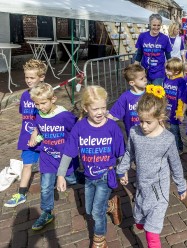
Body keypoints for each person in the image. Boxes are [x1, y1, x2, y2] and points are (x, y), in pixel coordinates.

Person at [116, 85, 187, 248]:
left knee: (151, 233)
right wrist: (122, 169)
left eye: (148, 122)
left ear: (160, 117)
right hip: (142, 187)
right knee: (140, 223)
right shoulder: (134, 132)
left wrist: (181, 186)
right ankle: (141, 221)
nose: (144, 126)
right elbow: (129, 153)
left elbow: (175, 164)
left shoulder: (167, 139)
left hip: (159, 191)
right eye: (141, 121)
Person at [56, 86, 125, 247]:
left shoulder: (112, 127)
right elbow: (68, 152)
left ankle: (99, 241)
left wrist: (123, 171)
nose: (100, 112)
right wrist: (60, 175)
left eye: (103, 107)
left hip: (106, 174)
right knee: (88, 210)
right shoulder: (80, 127)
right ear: (86, 108)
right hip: (88, 175)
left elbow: (121, 151)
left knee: (96, 212)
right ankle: (112, 204)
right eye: (95, 109)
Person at [26, 83, 83, 230]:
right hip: (47, 157)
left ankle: (92, 179)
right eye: (36, 104)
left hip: (64, 157)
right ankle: (46, 212)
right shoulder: (38, 114)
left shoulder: (64, 115)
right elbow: (39, 129)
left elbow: (77, 128)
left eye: (43, 103)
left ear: (53, 99)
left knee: (72, 179)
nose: (40, 107)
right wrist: (35, 137)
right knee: (45, 186)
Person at [4, 59, 47, 208]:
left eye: (32, 78)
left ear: (41, 77)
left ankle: (55, 184)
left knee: (49, 164)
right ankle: (21, 194)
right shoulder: (24, 96)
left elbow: (47, 118)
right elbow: (24, 114)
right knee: (27, 164)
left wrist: (38, 135)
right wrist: (29, 135)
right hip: (26, 137)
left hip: (45, 137)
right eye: (26, 77)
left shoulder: (45, 95)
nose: (28, 81)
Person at [108, 64, 147, 137]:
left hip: (148, 133)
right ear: (132, 83)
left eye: (145, 76)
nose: (145, 80)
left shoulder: (150, 93)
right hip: (132, 135)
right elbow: (113, 114)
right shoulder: (125, 97)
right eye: (141, 79)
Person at [134, 13, 172, 86]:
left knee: (156, 94)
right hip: (145, 71)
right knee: (146, 95)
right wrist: (135, 67)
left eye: (158, 25)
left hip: (159, 72)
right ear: (150, 24)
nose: (156, 27)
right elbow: (139, 53)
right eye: (154, 25)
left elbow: (168, 56)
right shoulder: (142, 36)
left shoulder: (164, 38)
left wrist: (169, 69)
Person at [164, 57, 187, 154]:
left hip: (175, 109)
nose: (166, 71)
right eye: (166, 68)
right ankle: (175, 146)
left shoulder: (181, 81)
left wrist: (180, 112)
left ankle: (178, 149)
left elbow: (181, 98)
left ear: (177, 71)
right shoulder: (166, 79)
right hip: (167, 108)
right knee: (168, 129)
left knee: (174, 129)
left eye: (169, 70)